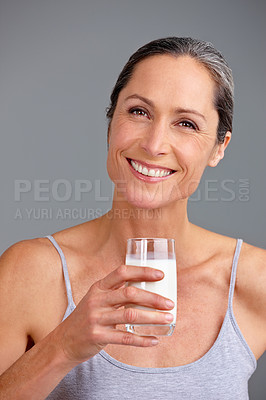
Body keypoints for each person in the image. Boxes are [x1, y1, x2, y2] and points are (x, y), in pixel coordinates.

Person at [0, 37, 265, 400]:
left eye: (186, 123)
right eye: (139, 112)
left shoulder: (255, 279)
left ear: (220, 147)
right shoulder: (30, 272)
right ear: (111, 124)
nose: (154, 144)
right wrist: (62, 346)